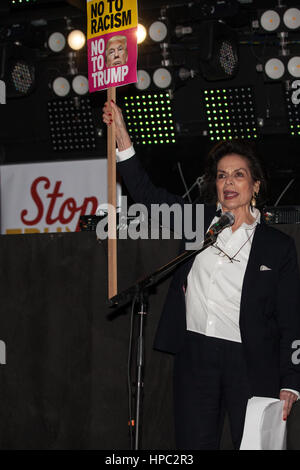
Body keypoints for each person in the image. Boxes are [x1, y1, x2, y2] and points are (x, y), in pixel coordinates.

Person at [102, 100, 300, 450]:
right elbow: (147, 196)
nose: (229, 182)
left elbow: (291, 318)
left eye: (239, 174)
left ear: (255, 185)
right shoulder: (198, 222)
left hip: (250, 360)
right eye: (222, 175)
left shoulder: (277, 246)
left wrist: (291, 379)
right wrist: (121, 135)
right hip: (196, 354)